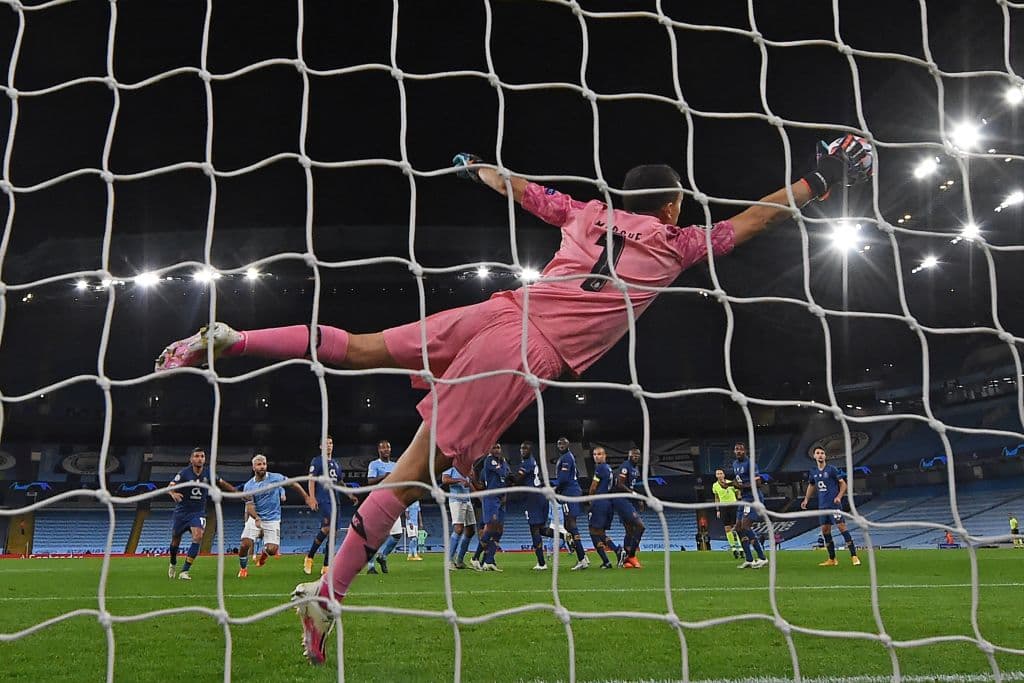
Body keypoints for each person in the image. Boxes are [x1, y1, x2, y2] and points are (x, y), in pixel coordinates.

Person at [154, 138, 872, 664]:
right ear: (673, 202)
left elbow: (527, 191)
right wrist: (818, 181)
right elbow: (754, 220)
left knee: (363, 346)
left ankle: (236, 338)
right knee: (411, 476)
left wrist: (478, 168)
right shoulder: (677, 241)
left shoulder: (587, 215)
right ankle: (329, 595)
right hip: (524, 352)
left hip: (497, 310)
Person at [165, 447, 237, 580]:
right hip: (182, 512)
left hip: (197, 513)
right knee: (175, 540)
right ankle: (173, 562)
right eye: (197, 456)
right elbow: (170, 487)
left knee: (198, 536)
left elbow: (222, 483)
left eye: (202, 456)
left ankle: (184, 571)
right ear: (191, 459)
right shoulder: (184, 473)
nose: (200, 459)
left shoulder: (208, 473)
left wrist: (237, 493)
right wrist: (173, 493)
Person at [238, 454, 314, 578]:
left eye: (264, 464)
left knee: (272, 550)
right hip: (256, 518)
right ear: (253, 467)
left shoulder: (276, 478)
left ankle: (264, 554)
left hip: (272, 519)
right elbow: (250, 506)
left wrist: (306, 497)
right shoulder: (248, 486)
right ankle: (243, 568)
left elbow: (293, 484)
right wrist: (256, 517)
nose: (262, 466)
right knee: (244, 544)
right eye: (259, 464)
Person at [305, 436, 356, 576]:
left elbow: (339, 481)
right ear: (321, 447)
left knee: (334, 532)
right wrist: (312, 497)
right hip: (323, 499)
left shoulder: (336, 463)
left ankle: (326, 566)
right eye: (326, 443)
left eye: (331, 443)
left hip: (335, 500)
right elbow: (311, 480)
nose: (329, 445)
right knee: (327, 528)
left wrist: (349, 494)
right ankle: (309, 557)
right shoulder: (317, 461)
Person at [800, 447, 860, 566]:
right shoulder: (813, 471)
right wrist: (806, 499)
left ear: (825, 456)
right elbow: (811, 485)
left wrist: (839, 496)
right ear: (814, 456)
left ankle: (854, 556)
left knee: (842, 527)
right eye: (818, 453)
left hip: (834, 505)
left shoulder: (832, 469)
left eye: (822, 453)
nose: (820, 455)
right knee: (825, 530)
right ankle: (832, 559)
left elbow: (843, 484)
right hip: (823, 506)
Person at [514, 440, 566, 570]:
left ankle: (541, 563)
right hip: (541, 496)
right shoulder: (532, 462)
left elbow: (517, 479)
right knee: (542, 529)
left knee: (534, 530)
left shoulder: (527, 463)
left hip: (533, 498)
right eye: (521, 448)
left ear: (530, 450)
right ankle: (563, 535)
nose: (523, 451)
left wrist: (508, 477)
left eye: (525, 449)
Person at [470, 444, 509, 571]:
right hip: (492, 498)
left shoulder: (495, 465)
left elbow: (506, 479)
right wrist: (472, 481)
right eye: (494, 447)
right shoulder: (490, 460)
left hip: (501, 499)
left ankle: (488, 561)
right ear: (490, 450)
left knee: (499, 531)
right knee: (491, 528)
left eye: (499, 447)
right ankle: (475, 557)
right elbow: (503, 473)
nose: (497, 450)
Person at [366, 440, 402, 575]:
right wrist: (384, 477)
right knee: (375, 536)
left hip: (393, 502)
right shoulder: (374, 464)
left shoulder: (395, 465)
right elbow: (370, 481)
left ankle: (383, 556)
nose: (386, 449)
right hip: (379, 503)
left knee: (397, 534)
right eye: (383, 448)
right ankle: (370, 566)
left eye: (388, 447)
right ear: (379, 450)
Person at [731, 442, 768, 569]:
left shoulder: (750, 463)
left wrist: (740, 486)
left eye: (740, 449)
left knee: (746, 526)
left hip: (753, 498)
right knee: (738, 528)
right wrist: (729, 484)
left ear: (745, 451)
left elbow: (757, 483)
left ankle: (762, 558)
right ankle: (749, 559)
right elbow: (738, 481)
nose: (738, 451)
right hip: (744, 499)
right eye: (736, 449)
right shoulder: (735, 464)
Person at [586, 446, 620, 569]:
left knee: (593, 531)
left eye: (599, 454)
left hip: (599, 502)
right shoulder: (609, 469)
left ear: (605, 455)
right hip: (608, 503)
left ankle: (614, 553)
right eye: (594, 454)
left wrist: (590, 499)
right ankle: (612, 556)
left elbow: (593, 487)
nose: (596, 456)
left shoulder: (600, 468)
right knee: (599, 532)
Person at [613, 448, 645, 568]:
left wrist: (638, 499)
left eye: (638, 455)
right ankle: (631, 555)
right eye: (633, 455)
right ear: (629, 456)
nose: (636, 456)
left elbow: (630, 486)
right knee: (640, 526)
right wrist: (634, 494)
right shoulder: (625, 466)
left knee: (629, 531)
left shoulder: (635, 469)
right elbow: (620, 484)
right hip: (621, 500)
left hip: (626, 500)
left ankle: (626, 560)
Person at [441, 465, 476, 568]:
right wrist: (459, 480)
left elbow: (469, 482)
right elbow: (445, 479)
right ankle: (449, 561)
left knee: (471, 531)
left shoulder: (468, 464)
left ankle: (459, 561)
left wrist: (477, 494)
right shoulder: (451, 464)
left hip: (467, 500)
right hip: (456, 500)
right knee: (459, 529)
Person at [712, 468, 743, 558]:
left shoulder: (730, 483)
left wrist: (739, 497)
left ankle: (741, 548)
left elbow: (738, 491)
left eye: (721, 473)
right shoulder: (715, 485)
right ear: (716, 476)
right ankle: (733, 548)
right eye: (718, 474)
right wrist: (718, 510)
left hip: (733, 505)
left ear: (724, 474)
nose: (719, 475)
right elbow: (717, 497)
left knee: (736, 527)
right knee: (727, 528)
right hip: (723, 507)